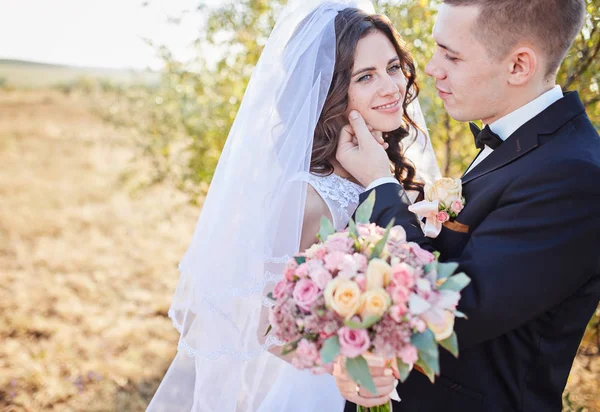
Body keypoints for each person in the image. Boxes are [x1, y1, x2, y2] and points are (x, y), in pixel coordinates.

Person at [146, 1, 438, 410]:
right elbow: (268, 328)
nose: (391, 87)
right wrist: (352, 361)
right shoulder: (307, 195)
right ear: (331, 91)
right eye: (366, 76)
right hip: (326, 393)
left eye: (393, 67)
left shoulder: (383, 169)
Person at [333, 0, 600, 411]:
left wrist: (381, 184)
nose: (431, 67)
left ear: (518, 66)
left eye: (452, 55)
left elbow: (453, 310)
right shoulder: (516, 141)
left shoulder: (575, 175)